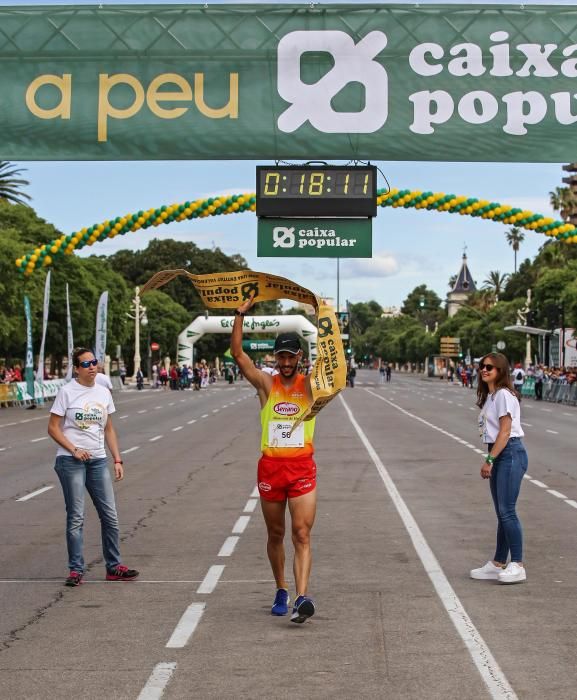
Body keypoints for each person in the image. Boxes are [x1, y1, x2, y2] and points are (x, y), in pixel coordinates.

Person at [231, 299, 317, 624]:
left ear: (299, 358)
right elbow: (239, 355)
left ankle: (301, 597)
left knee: (302, 534)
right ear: (275, 358)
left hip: (302, 469)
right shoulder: (266, 385)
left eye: (290, 356)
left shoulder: (309, 387)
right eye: (280, 356)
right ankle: (281, 588)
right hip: (271, 469)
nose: (284, 362)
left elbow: (336, 372)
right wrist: (240, 315)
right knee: (276, 533)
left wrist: (327, 320)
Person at [47, 347, 139, 587]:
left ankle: (114, 566)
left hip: (98, 460)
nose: (92, 367)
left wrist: (117, 459)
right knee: (76, 517)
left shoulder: (103, 393)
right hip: (71, 461)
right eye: (86, 364)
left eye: (94, 362)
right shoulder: (67, 392)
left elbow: (108, 428)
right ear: (76, 369)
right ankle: (76, 569)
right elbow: (53, 428)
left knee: (110, 515)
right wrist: (73, 449)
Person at [471, 352, 528, 585]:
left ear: (501, 371)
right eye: (482, 367)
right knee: (502, 513)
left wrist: (490, 460)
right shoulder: (491, 396)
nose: (484, 370)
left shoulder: (504, 395)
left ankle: (517, 564)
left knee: (507, 511)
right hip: (500, 452)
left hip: (509, 453)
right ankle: (497, 563)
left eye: (490, 368)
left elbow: (505, 431)